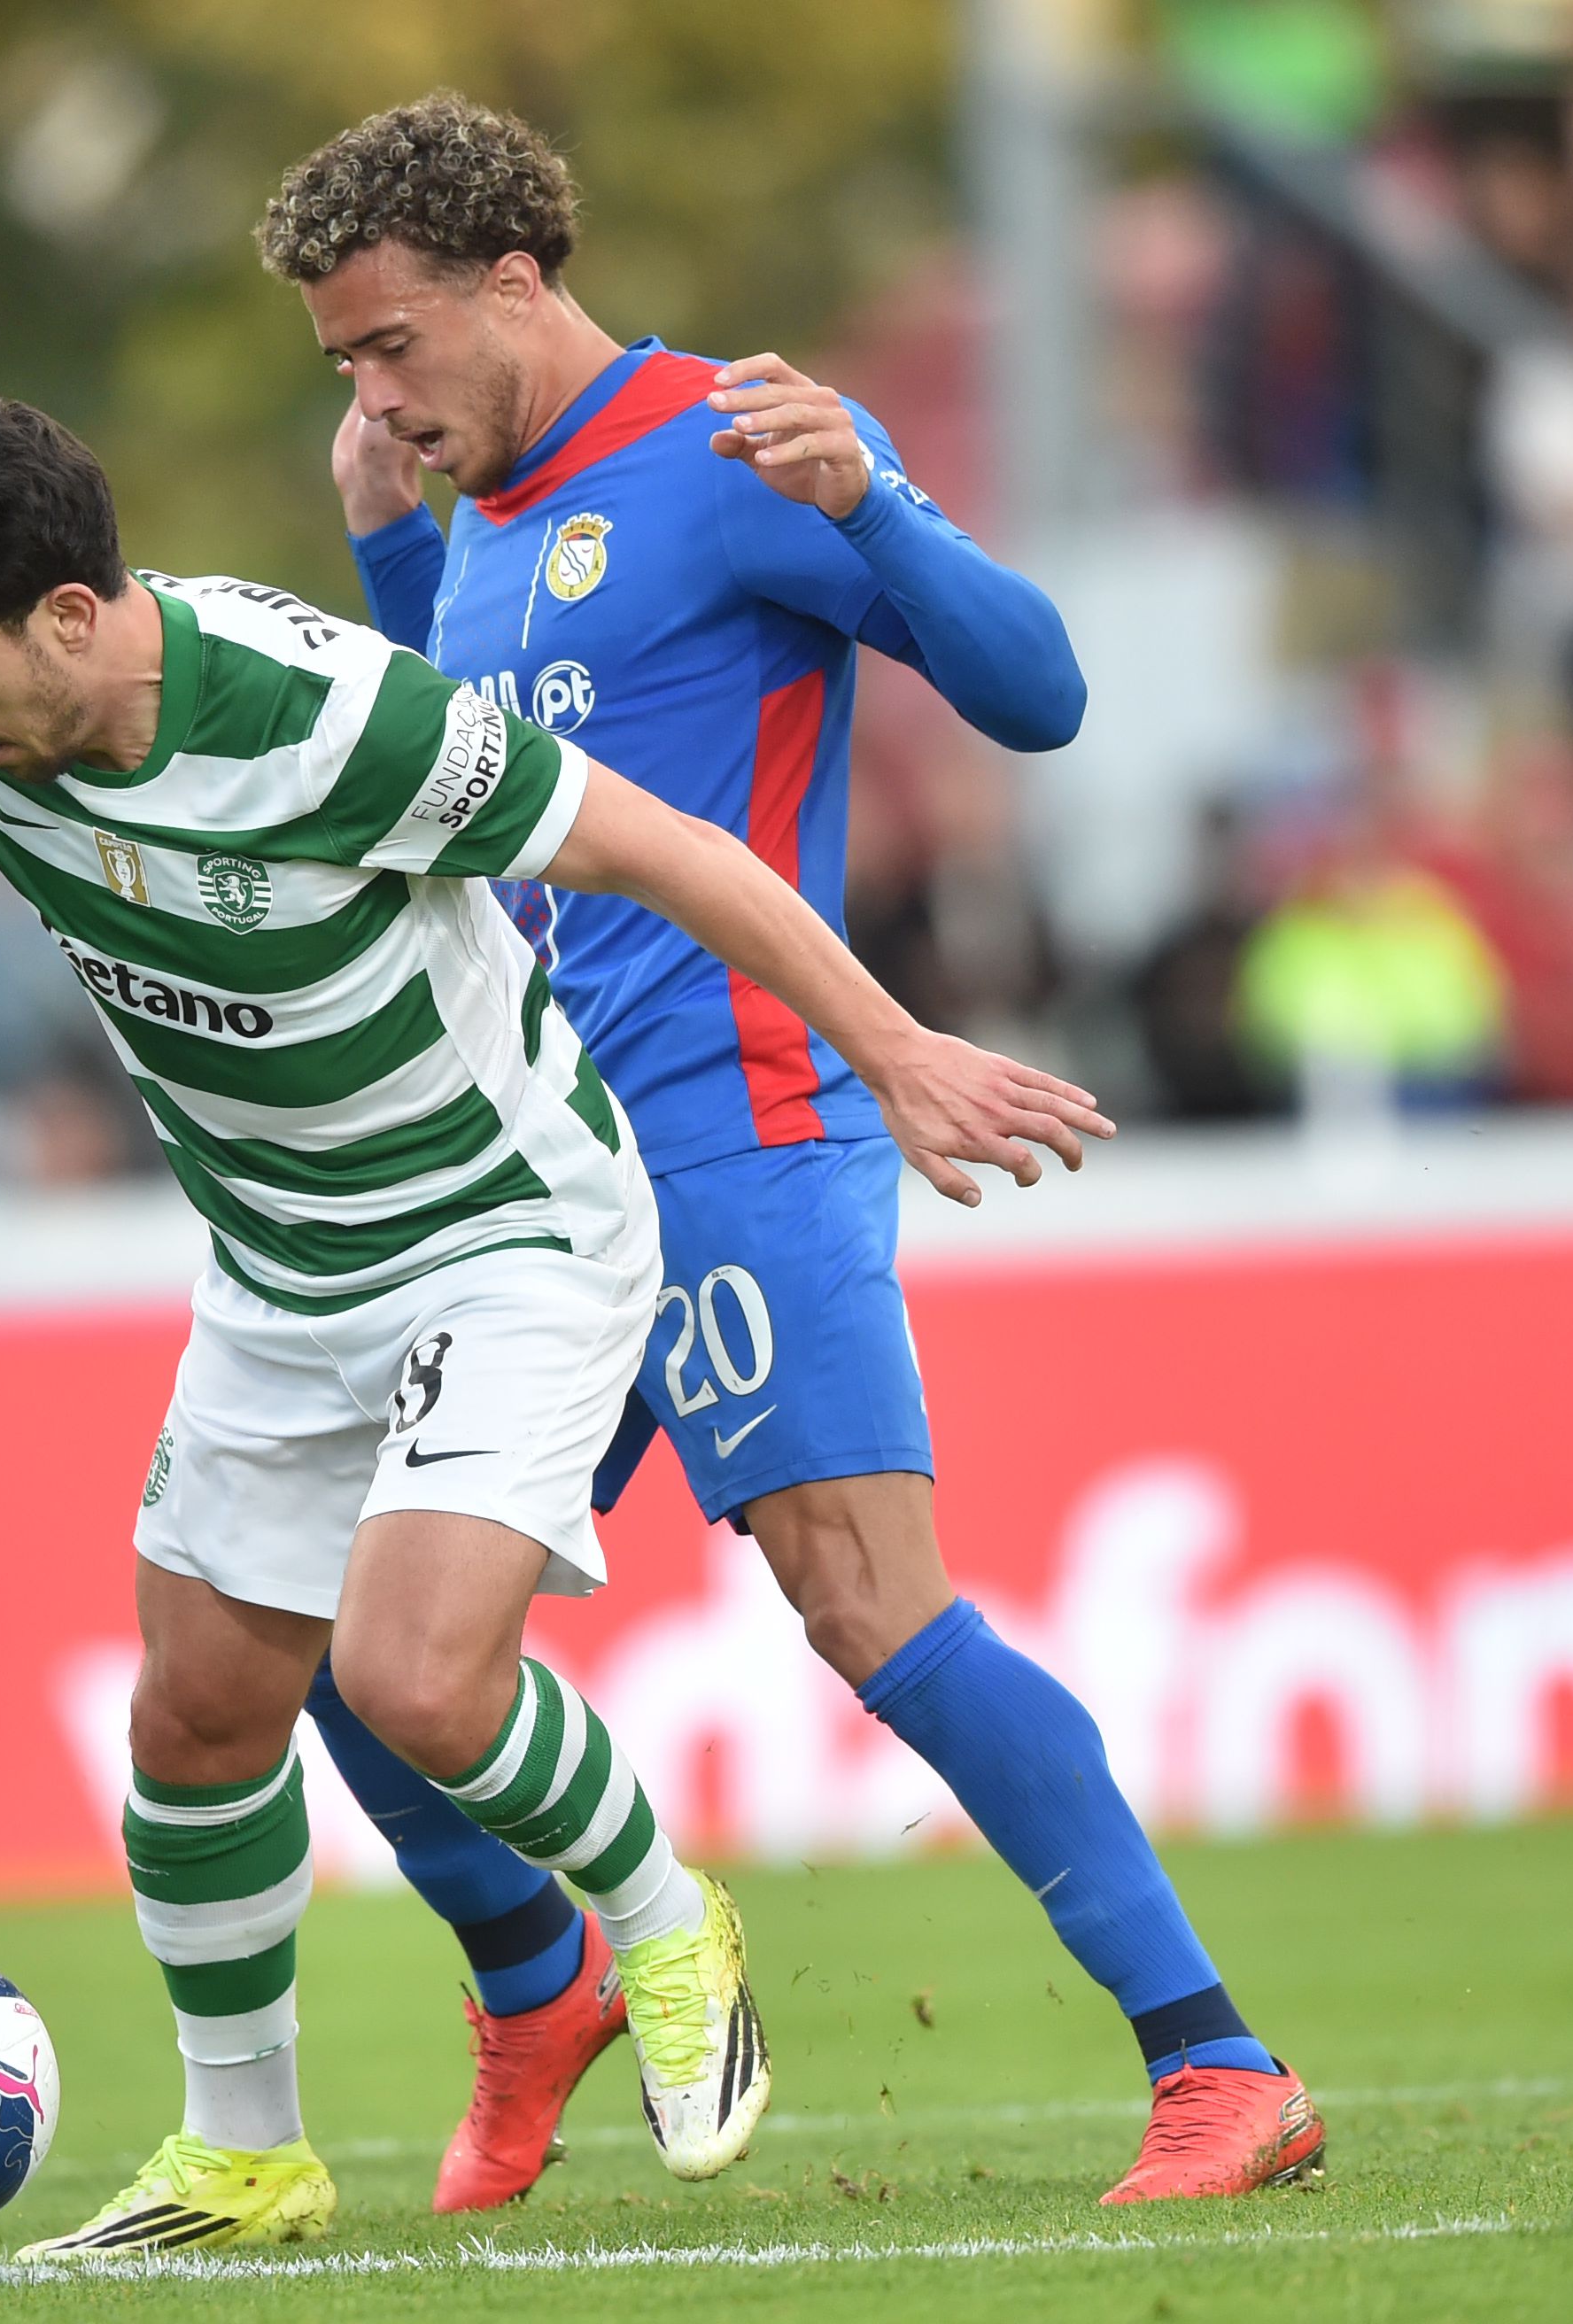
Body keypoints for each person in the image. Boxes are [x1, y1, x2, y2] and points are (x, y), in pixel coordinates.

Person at [0, 399, 1109, 2256]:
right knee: (198, 1711)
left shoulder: (332, 716)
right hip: (278, 1267)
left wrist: (892, 1049)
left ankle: (661, 1917)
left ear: (73, 616)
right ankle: (246, 2153)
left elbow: (665, 850)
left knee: (415, 1679)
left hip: (510, 1231)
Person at [257, 92, 1320, 2209]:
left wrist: (892, 505)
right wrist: (384, 536)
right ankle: (539, 1978)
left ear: (514, 284)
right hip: (539, 1187)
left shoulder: (735, 448)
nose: (371, 393)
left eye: (388, 348)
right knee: (347, 1645)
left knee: (863, 1599)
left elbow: (1040, 699)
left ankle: (1220, 2062)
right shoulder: (460, 502)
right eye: (341, 368)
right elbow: (472, 774)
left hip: (743, 1129)